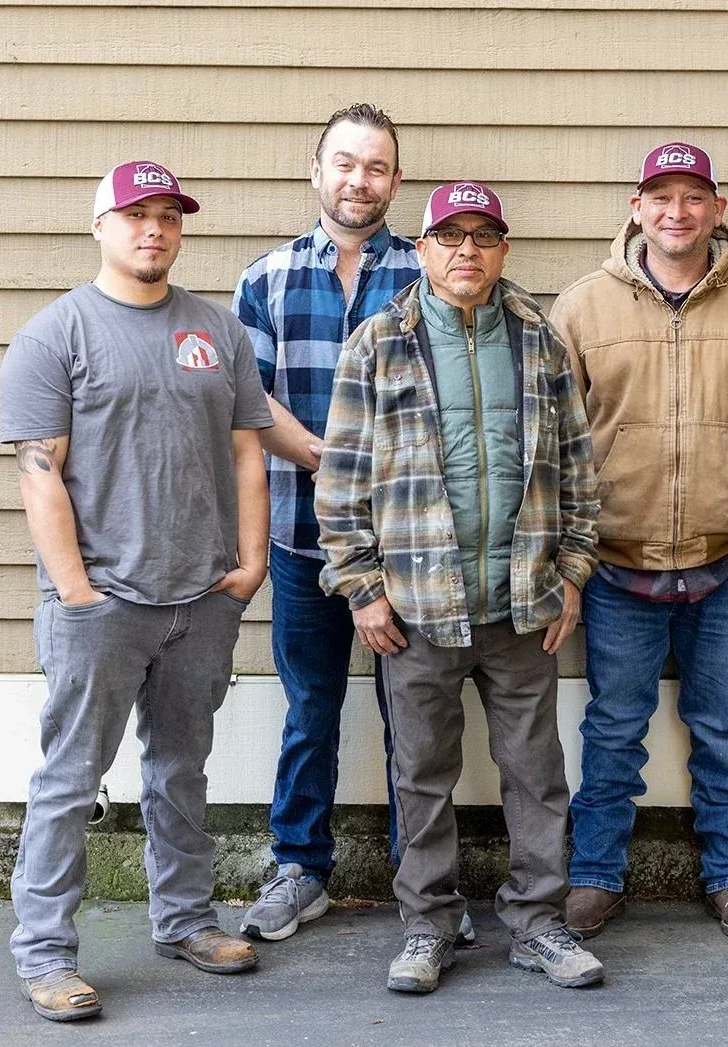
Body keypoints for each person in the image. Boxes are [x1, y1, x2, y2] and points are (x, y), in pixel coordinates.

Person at [0, 161, 272, 1021]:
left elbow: (245, 450)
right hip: (101, 604)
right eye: (134, 214)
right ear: (100, 225)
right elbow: (41, 475)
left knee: (181, 768)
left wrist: (248, 565)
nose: (152, 228)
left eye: (167, 215)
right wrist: (77, 591)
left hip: (202, 596)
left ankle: (186, 920)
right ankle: (45, 954)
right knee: (70, 779)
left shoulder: (217, 331)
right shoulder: (55, 335)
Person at [315, 181, 603, 993]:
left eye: (483, 235)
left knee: (536, 772)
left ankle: (540, 923)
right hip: (414, 611)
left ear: (504, 248)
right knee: (421, 774)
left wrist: (571, 573)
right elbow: (340, 484)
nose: (466, 250)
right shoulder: (379, 344)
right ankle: (427, 924)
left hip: (523, 609)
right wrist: (364, 588)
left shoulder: (540, 341)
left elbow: (579, 472)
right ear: (423, 248)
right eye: (450, 235)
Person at [548, 141, 728, 939]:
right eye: (662, 196)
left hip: (727, 564)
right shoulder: (582, 308)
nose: (677, 211)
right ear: (636, 206)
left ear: (718, 210)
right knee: (613, 727)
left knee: (724, 725)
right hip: (618, 564)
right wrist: (573, 561)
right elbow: (557, 444)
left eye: (694, 197)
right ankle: (595, 875)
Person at [232, 104, 460, 943]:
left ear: (396, 182)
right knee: (311, 707)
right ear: (316, 170)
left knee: (418, 717)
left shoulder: (427, 272)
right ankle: (301, 867)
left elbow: (451, 402)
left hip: (410, 543)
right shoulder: (266, 279)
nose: (358, 180)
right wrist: (338, 463)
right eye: (345, 163)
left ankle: (424, 883)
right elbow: (249, 404)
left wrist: (375, 477)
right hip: (298, 535)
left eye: (376, 167)